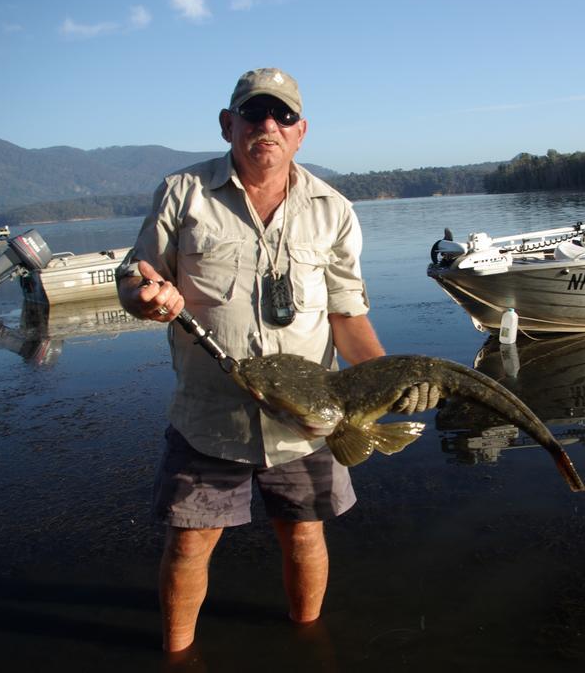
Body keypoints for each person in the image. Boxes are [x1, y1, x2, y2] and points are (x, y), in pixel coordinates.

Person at [117, 68, 439, 653]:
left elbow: (347, 317)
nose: (268, 125)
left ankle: (308, 645)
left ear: (300, 131)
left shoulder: (333, 210)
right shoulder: (181, 193)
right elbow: (140, 281)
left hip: (310, 423)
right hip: (210, 416)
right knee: (190, 542)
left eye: (282, 116)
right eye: (254, 113)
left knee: (303, 534)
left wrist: (392, 384)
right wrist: (144, 298)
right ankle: (176, 655)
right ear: (228, 124)